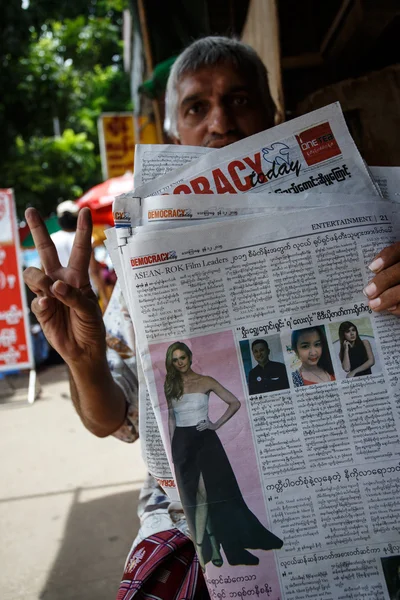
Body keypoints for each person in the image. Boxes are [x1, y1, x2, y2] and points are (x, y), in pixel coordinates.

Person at [22, 35, 400, 598]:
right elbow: (112, 420)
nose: (221, 122)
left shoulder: (364, 215)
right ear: (175, 133)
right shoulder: (141, 264)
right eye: (198, 107)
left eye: (240, 100)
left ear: (275, 117)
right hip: (182, 528)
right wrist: (83, 360)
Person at [165, 341, 283, 571]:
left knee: (217, 494)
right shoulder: (171, 384)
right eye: (175, 359)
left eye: (183, 357)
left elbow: (234, 402)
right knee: (195, 497)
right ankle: (209, 547)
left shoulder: (206, 380)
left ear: (190, 356)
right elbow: (170, 418)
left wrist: (214, 424)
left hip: (205, 441)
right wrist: (173, 450)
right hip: (182, 442)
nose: (180, 363)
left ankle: (228, 547)